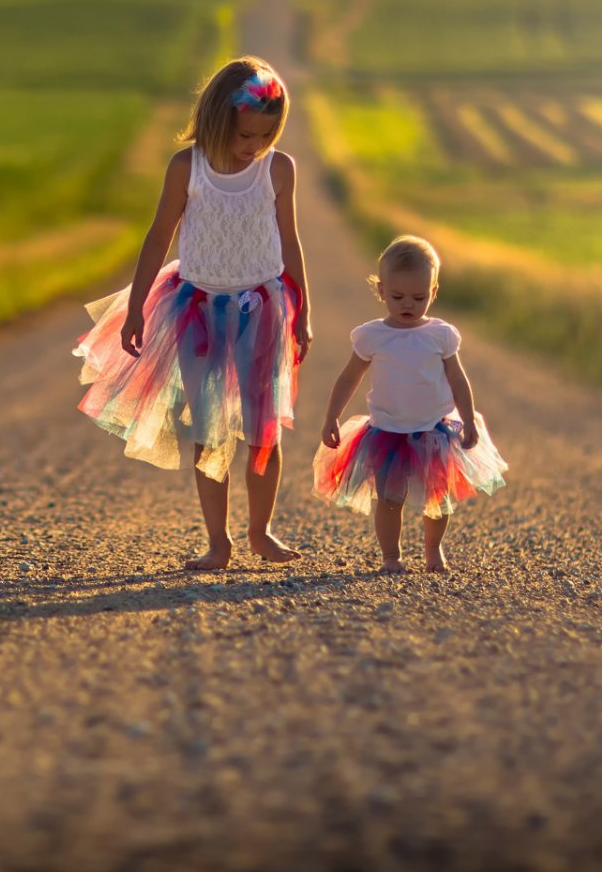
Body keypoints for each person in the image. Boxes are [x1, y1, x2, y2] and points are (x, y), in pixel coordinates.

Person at [74, 56, 313, 570]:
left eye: (265, 135)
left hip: (263, 309)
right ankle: (218, 542)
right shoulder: (189, 166)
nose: (254, 146)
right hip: (197, 310)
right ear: (217, 120)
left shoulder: (279, 169)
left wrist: (303, 311)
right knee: (210, 431)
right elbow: (158, 236)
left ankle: (260, 530)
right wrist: (136, 306)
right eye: (245, 134)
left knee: (263, 430)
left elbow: (289, 241)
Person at [313, 235, 507, 573]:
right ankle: (391, 556)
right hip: (388, 431)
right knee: (389, 499)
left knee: (438, 499)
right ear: (381, 291)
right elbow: (349, 378)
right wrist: (332, 415)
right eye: (398, 296)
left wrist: (469, 420)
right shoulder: (373, 335)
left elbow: (458, 380)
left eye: (418, 297)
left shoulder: (440, 335)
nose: (408, 304)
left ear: (433, 292)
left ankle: (434, 552)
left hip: (434, 429)